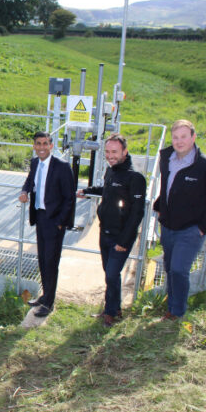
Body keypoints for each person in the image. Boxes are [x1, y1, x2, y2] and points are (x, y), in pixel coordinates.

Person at [153, 119, 206, 320]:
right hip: (168, 226)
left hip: (191, 229)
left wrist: (202, 227)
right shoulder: (167, 158)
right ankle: (170, 307)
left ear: (193, 138)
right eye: (175, 137)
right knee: (169, 268)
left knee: (178, 269)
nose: (179, 141)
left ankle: (177, 312)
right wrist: (160, 207)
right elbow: (167, 187)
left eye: (184, 136)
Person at [78, 134, 146, 327]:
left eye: (114, 152)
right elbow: (107, 191)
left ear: (125, 151)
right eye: (107, 152)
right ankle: (114, 308)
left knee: (111, 273)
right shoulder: (111, 171)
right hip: (104, 231)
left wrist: (124, 242)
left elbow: (137, 213)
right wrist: (88, 190)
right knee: (110, 273)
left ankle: (110, 313)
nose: (110, 155)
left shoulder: (135, 178)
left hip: (120, 236)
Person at [19, 131, 75, 317]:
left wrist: (60, 223)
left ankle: (49, 303)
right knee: (42, 259)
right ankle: (45, 295)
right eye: (38, 144)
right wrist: (25, 191)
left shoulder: (62, 166)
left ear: (51, 146)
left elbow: (69, 198)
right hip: (40, 217)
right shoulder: (35, 163)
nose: (41, 147)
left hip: (54, 220)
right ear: (34, 146)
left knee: (51, 261)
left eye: (45, 144)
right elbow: (30, 180)